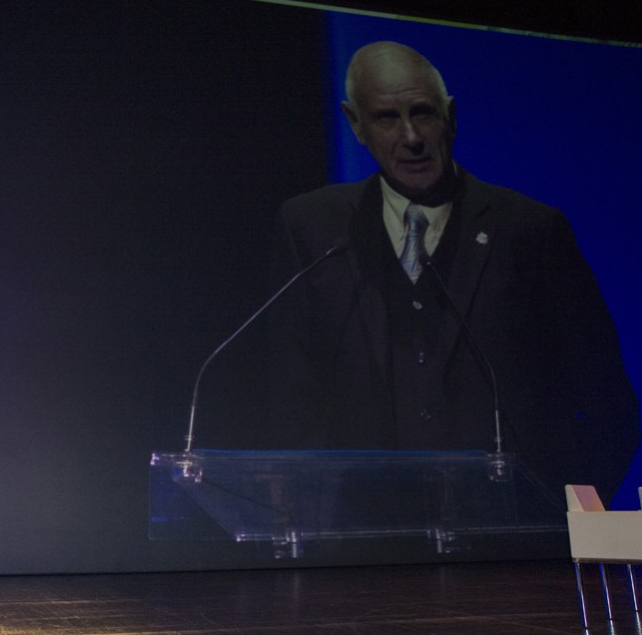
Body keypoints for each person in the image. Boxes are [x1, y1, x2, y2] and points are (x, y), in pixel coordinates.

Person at [267, 41, 638, 504]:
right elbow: (290, 398)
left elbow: (608, 404)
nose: (411, 137)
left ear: (452, 117)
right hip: (367, 544)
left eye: (422, 113)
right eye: (386, 118)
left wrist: (560, 515)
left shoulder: (529, 230)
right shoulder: (313, 228)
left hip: (511, 543)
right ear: (355, 124)